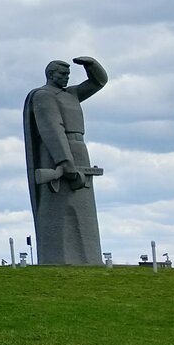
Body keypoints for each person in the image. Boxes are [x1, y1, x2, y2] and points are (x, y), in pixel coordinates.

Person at [23, 56, 108, 265]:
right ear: (51, 75)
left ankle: (88, 258)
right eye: (63, 74)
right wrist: (64, 160)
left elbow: (99, 82)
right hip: (57, 154)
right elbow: (52, 128)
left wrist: (92, 66)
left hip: (79, 149)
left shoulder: (71, 94)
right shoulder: (43, 95)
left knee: (83, 208)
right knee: (60, 209)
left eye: (69, 75)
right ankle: (60, 257)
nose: (67, 78)